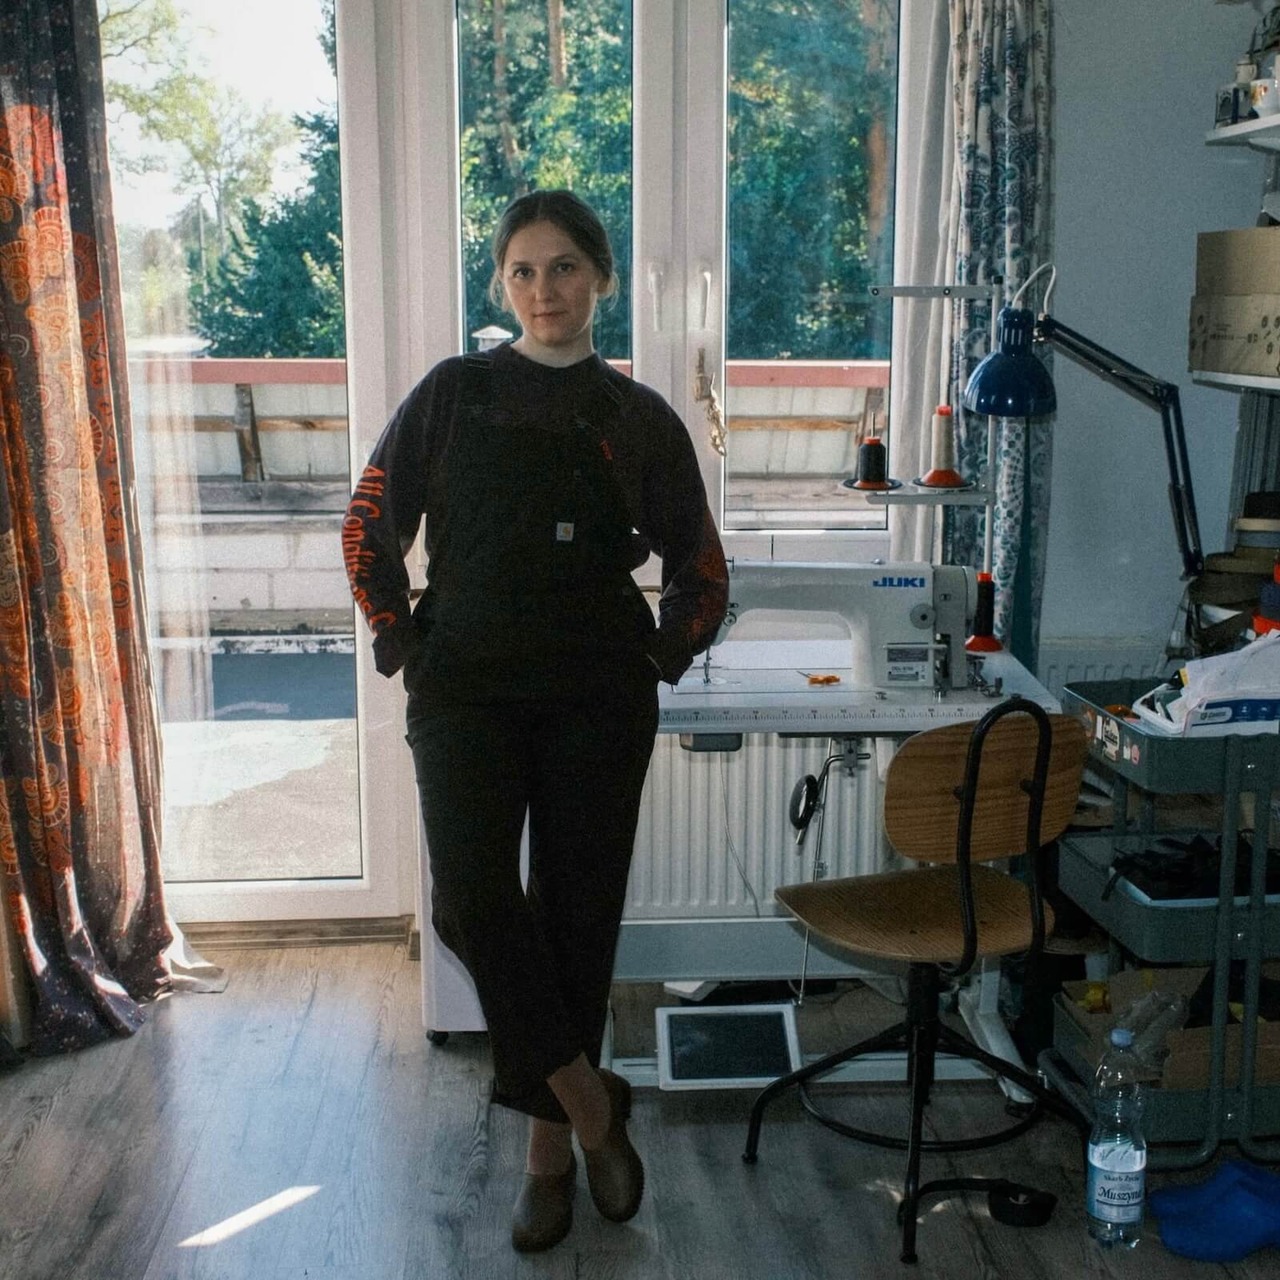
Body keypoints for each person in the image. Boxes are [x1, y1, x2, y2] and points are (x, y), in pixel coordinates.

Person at [343, 189, 728, 1253]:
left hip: (596, 693)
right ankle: (593, 1103)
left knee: (576, 918)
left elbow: (701, 566)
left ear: (599, 277)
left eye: (563, 268)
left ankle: (548, 1158)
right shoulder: (454, 392)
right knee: (469, 899)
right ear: (501, 285)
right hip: (464, 682)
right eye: (522, 270)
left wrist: (657, 655)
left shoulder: (636, 417)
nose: (543, 289)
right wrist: (401, 636)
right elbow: (369, 521)